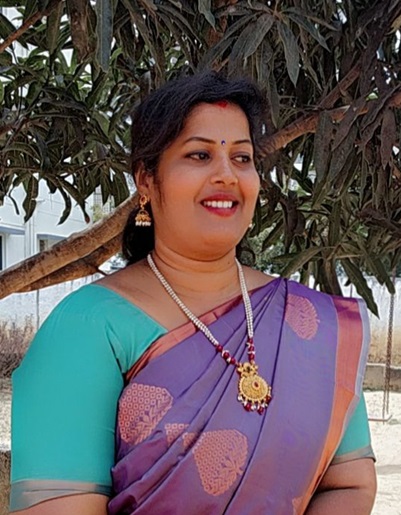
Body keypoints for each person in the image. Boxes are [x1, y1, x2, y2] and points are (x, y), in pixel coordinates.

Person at [10, 72, 376, 515]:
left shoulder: (310, 324)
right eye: (200, 155)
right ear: (146, 180)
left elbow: (349, 484)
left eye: (241, 157)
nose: (227, 174)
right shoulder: (87, 326)